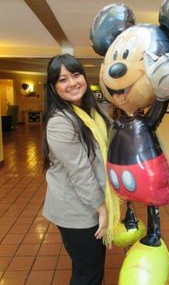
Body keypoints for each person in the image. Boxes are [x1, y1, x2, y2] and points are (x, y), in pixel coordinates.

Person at [42, 53, 120, 285]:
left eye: (76, 75)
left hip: (91, 201)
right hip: (77, 209)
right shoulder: (60, 122)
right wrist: (102, 208)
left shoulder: (93, 112)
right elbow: (80, 172)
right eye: (62, 79)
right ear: (54, 88)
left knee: (89, 268)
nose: (72, 83)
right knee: (88, 274)